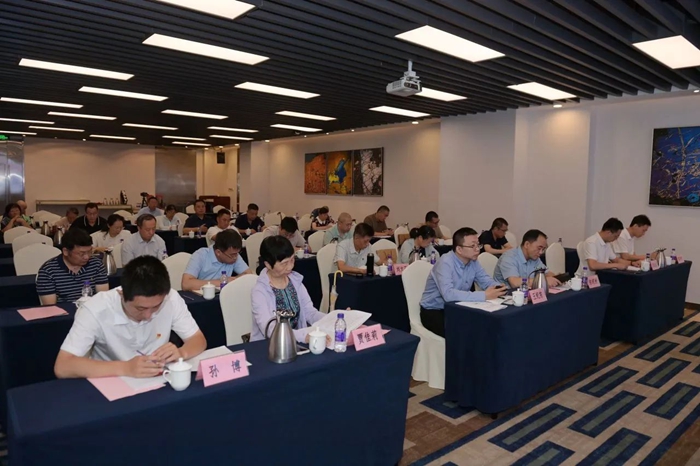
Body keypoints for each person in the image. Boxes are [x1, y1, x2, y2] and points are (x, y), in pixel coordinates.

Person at [53, 256, 207, 379]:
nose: (148, 315)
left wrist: (181, 353)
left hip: (158, 378)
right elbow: (63, 366)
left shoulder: (171, 298)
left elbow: (198, 339)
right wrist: (126, 368)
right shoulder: (96, 308)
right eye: (140, 308)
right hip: (111, 381)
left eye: (156, 307)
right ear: (121, 294)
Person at [420, 227, 507, 337]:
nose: (477, 249)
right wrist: (484, 295)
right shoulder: (445, 263)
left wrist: (498, 287)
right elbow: (448, 295)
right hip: (435, 310)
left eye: (478, 245)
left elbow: (485, 280)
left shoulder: (473, 261)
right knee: (465, 333)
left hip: (458, 307)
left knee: (486, 325)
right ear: (459, 249)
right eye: (472, 246)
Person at [250, 236, 328, 344]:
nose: (290, 267)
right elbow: (270, 329)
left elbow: (310, 313)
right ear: (268, 264)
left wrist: (332, 319)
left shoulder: (295, 281)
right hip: (269, 346)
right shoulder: (260, 291)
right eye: (284, 263)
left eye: (292, 260)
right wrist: (303, 336)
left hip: (296, 342)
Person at [36, 228, 109, 305]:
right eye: (81, 254)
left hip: (92, 310)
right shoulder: (48, 271)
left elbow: (103, 298)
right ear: (66, 251)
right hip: (63, 311)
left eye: (90, 252)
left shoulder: (96, 264)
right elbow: (51, 307)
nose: (87, 257)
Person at [181, 230, 252, 291]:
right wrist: (222, 281)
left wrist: (232, 280)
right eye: (232, 255)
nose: (235, 257)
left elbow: (248, 274)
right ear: (218, 252)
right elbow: (186, 284)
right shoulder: (201, 255)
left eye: (237, 253)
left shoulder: (233, 254)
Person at [493, 229, 561, 288]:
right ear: (527, 244)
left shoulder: (534, 257)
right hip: (506, 295)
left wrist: (557, 278)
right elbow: (515, 283)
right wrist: (543, 281)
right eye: (539, 248)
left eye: (543, 249)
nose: (541, 252)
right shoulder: (508, 257)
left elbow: (546, 273)